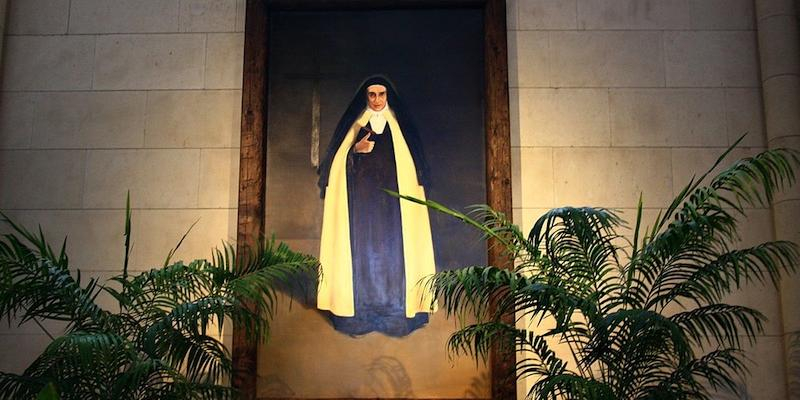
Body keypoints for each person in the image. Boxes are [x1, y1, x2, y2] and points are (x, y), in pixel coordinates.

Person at [316, 75, 436, 336]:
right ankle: (360, 314)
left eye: (381, 94)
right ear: (366, 96)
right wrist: (354, 150)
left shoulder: (399, 126)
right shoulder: (355, 124)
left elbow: (413, 167)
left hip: (395, 211)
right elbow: (336, 166)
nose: (377, 100)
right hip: (361, 210)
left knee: (396, 256)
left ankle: (396, 314)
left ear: (388, 96)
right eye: (372, 95)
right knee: (361, 256)